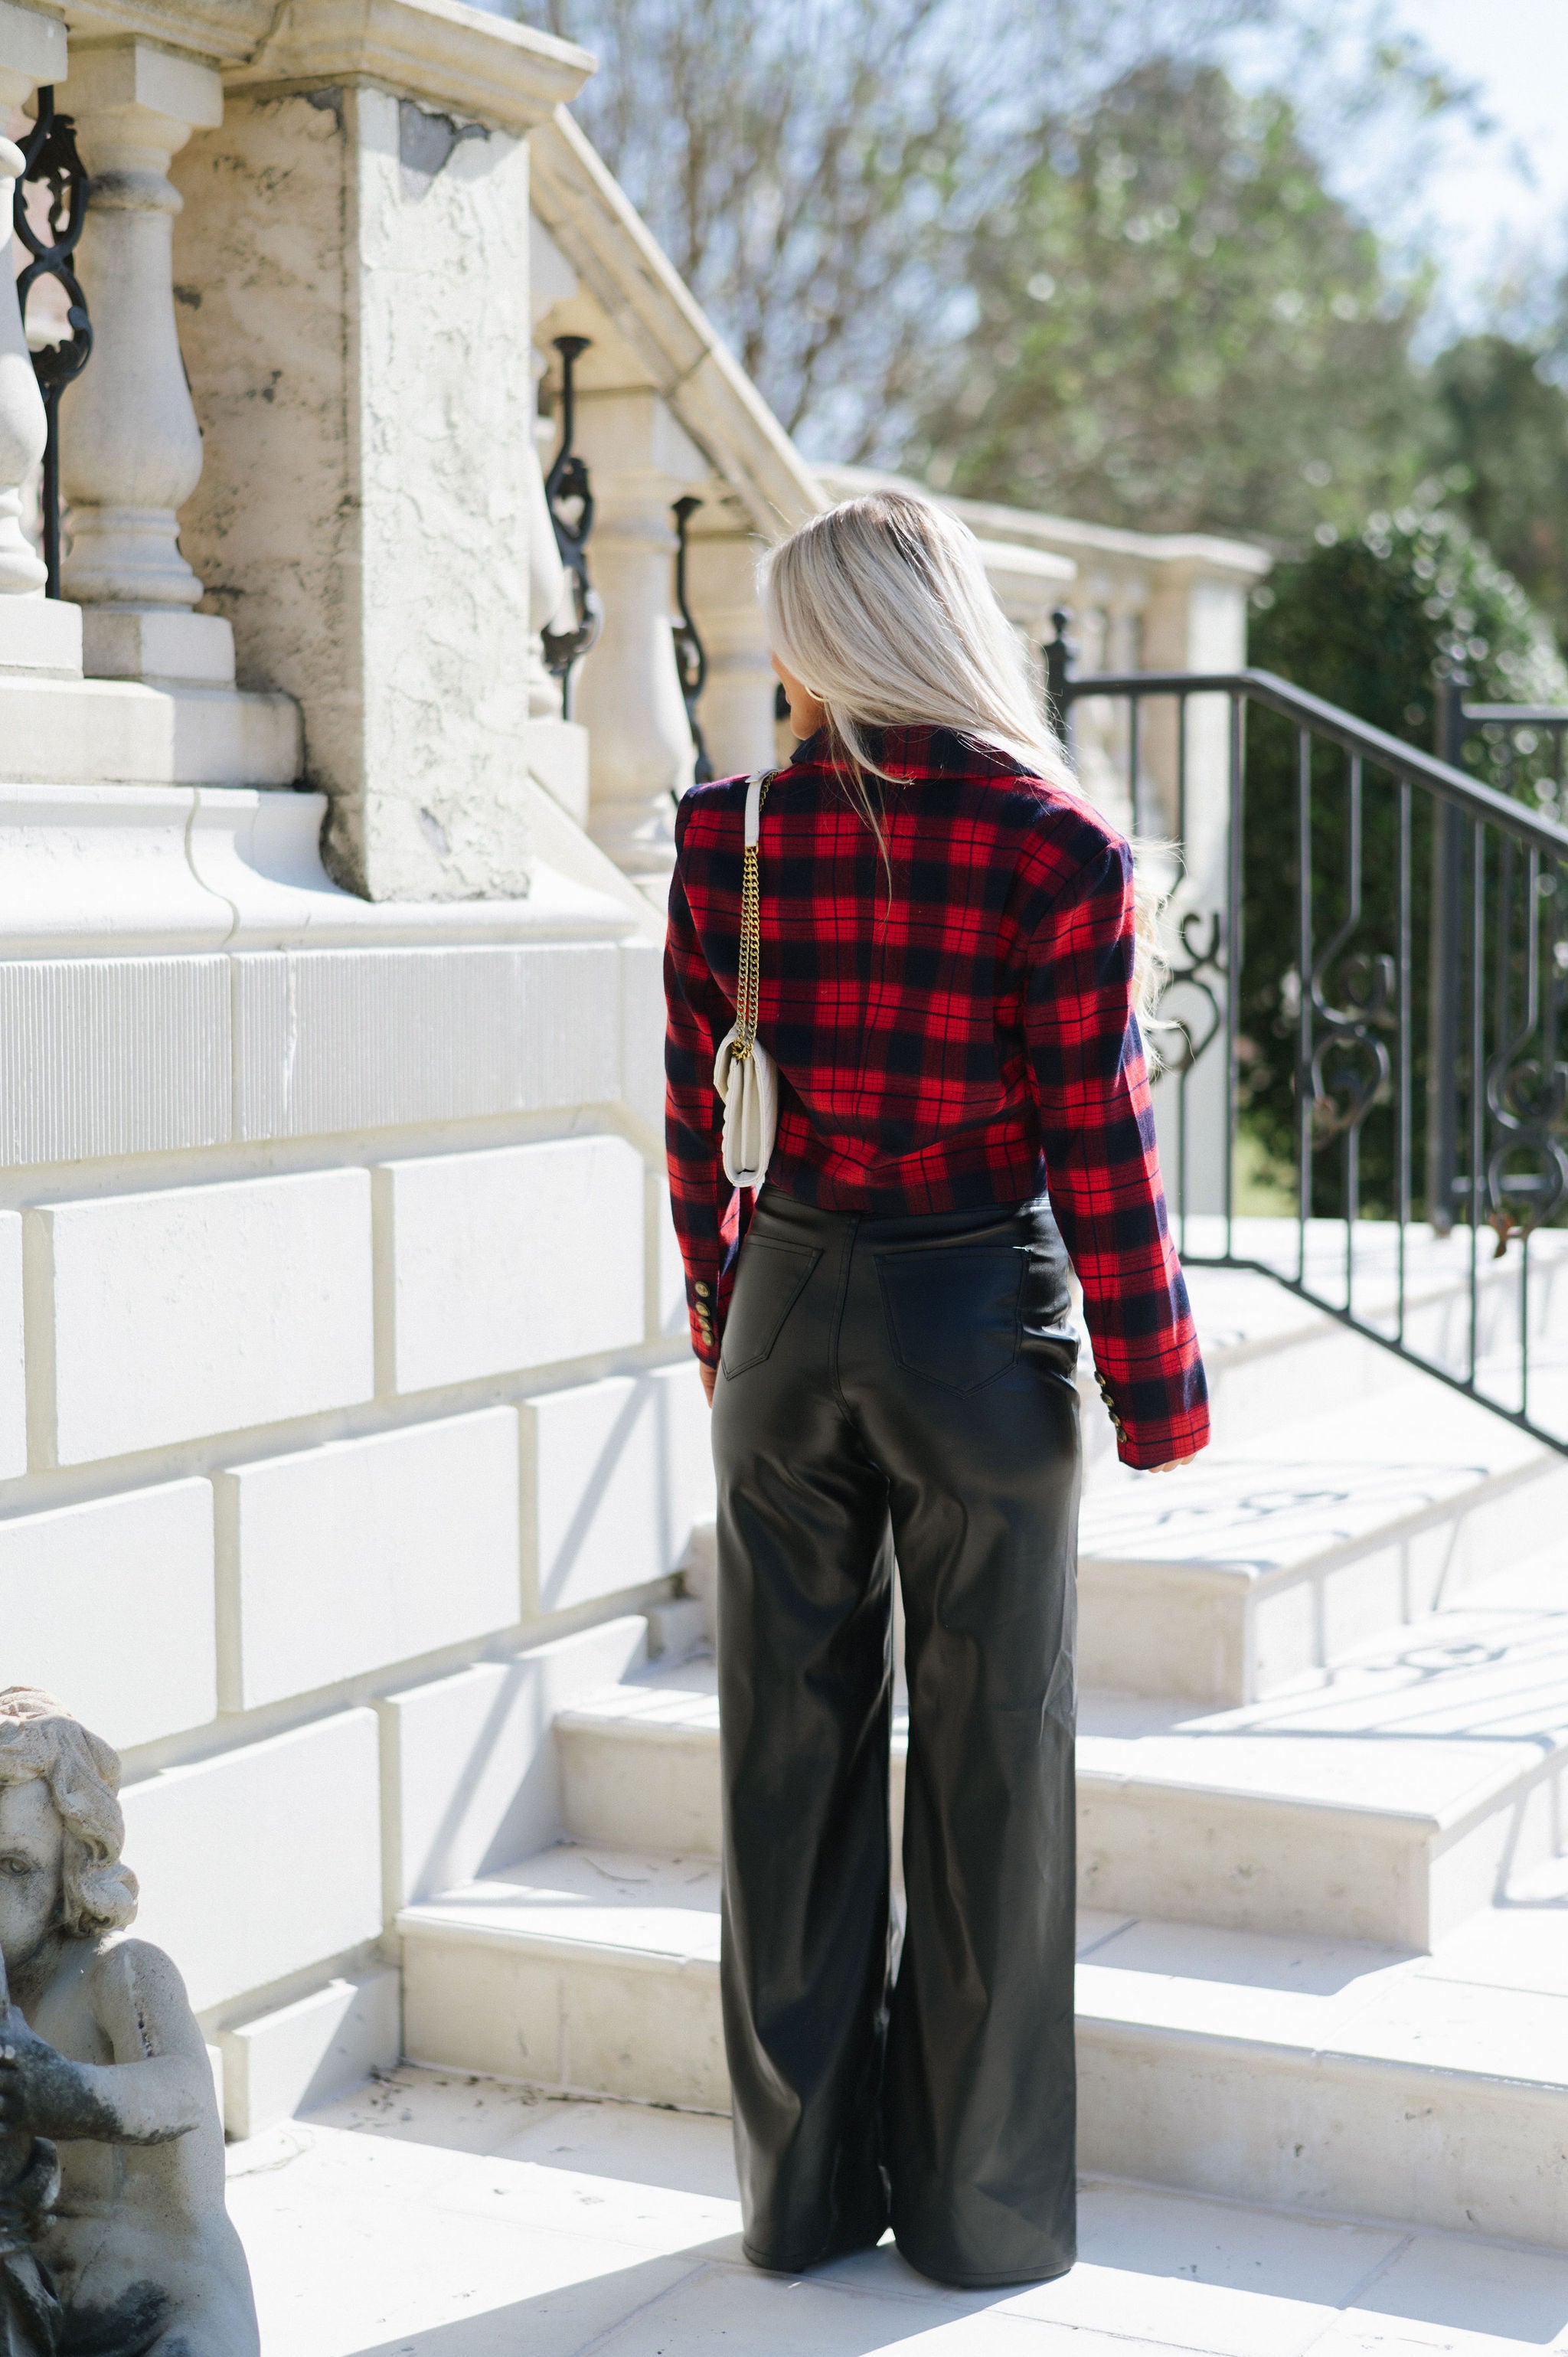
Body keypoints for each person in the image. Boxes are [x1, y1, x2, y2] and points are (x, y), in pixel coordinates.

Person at [664, 489, 1210, 2291]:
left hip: (783, 1310)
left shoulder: (721, 836)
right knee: (989, 1776)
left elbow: (698, 1128)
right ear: (951, 617)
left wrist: (719, 1316)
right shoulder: (1054, 846)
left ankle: (796, 2201)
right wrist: (1156, 1382)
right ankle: (978, 2221)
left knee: (780, 1765)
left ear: (813, 636)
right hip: (977, 1316)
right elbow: (1101, 1141)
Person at [0, 1687, 260, 2355]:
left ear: (74, 1867)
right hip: (49, 2315)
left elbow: (184, 2092)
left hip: (171, 2313)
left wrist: (70, 2094)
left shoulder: (121, 1972)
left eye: (13, 1867)